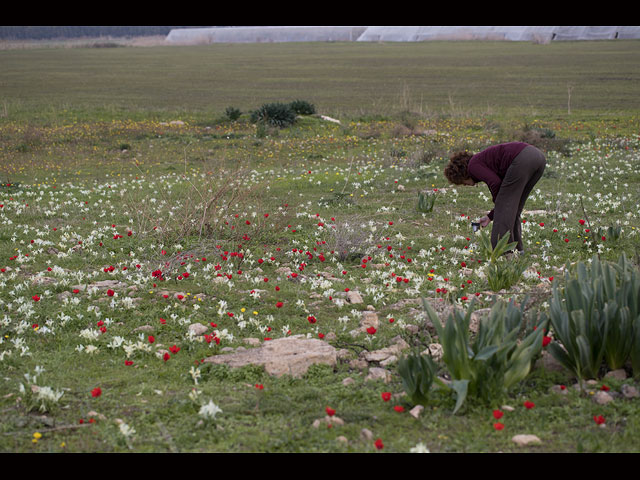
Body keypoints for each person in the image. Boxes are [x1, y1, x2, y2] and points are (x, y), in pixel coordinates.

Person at [444, 142, 546, 253]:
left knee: (505, 208)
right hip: (537, 157)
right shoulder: (482, 161)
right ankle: (517, 250)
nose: (466, 185)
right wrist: (490, 216)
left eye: (462, 183)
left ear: (461, 174)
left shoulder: (473, 166)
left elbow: (495, 183)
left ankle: (502, 253)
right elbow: (507, 198)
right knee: (514, 208)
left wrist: (499, 205)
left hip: (523, 158)